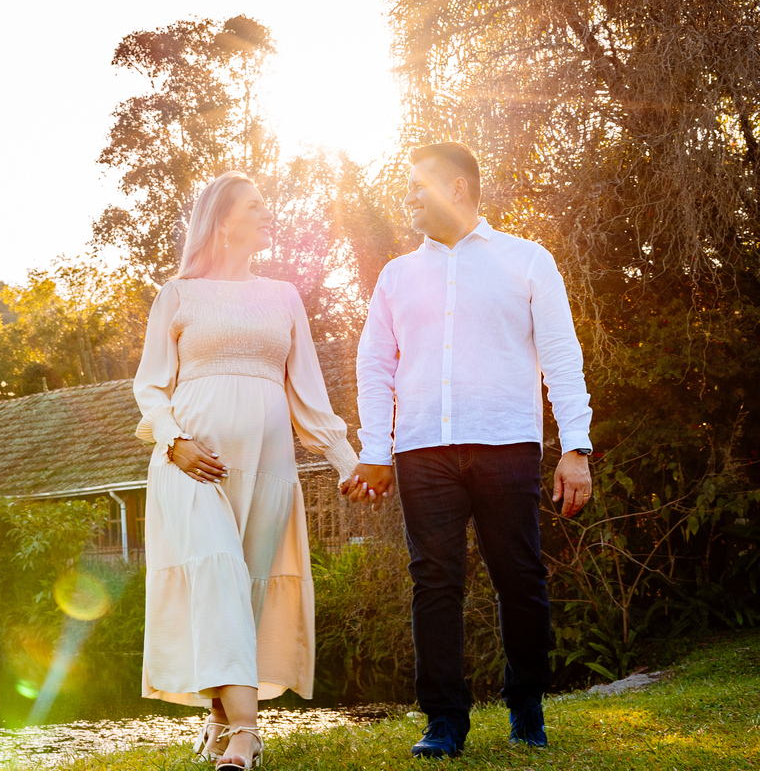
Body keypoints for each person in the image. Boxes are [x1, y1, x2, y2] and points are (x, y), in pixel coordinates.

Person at [342, 142, 594, 758]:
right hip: (422, 450)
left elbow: (561, 356)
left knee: (520, 577)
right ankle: (444, 722)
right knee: (434, 582)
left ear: (457, 188)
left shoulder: (527, 260)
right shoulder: (396, 276)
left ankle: (526, 708)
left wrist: (576, 447)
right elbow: (374, 366)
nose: (407, 198)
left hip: (507, 443)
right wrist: (376, 448)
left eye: (417, 186)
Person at [134, 171, 359, 770]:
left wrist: (346, 461)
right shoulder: (178, 295)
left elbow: (307, 392)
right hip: (193, 464)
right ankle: (246, 733)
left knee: (247, 588)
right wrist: (174, 441)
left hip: (268, 465)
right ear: (222, 220)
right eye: (255, 206)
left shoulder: (284, 296)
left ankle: (218, 719)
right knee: (216, 574)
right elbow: (151, 386)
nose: (267, 213)